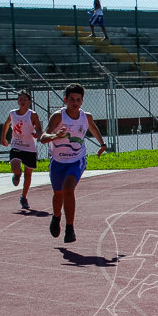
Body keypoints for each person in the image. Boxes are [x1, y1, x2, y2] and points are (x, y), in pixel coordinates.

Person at [40, 83, 107, 243]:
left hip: (76, 159)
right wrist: (55, 136)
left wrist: (102, 144)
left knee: (68, 189)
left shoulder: (86, 117)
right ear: (65, 100)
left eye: (78, 99)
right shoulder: (58, 116)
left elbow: (93, 128)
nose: (75, 103)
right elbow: (43, 137)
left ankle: (70, 228)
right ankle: (56, 217)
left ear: (82, 101)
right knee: (58, 194)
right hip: (58, 161)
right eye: (72, 99)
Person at [0, 89, 43, 210]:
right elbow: (7, 124)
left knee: (28, 174)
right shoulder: (12, 113)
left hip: (29, 147)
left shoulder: (32, 114)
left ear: (29, 101)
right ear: (18, 101)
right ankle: (17, 173)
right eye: (20, 99)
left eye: (25, 99)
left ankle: (23, 197)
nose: (22, 101)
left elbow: (39, 129)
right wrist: (3, 138)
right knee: (14, 166)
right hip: (16, 145)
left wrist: (37, 134)